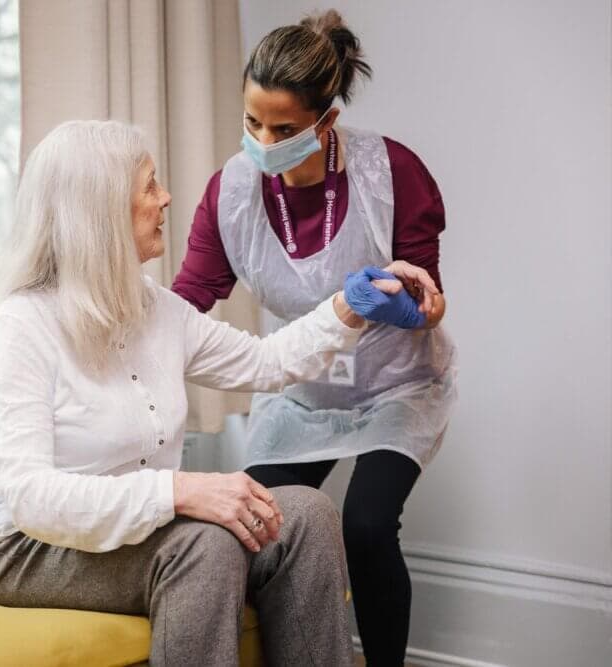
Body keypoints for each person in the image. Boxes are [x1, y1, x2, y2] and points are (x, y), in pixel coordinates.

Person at [0, 119, 431, 666]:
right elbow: (33, 499)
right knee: (204, 543)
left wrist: (349, 305)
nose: (167, 198)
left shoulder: (155, 308)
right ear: (103, 212)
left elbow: (266, 361)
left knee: (307, 515)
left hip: (136, 525)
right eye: (150, 186)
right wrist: (178, 492)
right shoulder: (23, 323)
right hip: (20, 545)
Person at [171, 10, 458, 666]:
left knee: (365, 524)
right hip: (301, 389)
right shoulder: (232, 194)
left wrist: (409, 303)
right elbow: (191, 296)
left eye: (283, 129)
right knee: (254, 521)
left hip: (395, 386)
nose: (263, 142)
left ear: (326, 122)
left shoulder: (392, 174)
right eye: (251, 122)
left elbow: (425, 302)